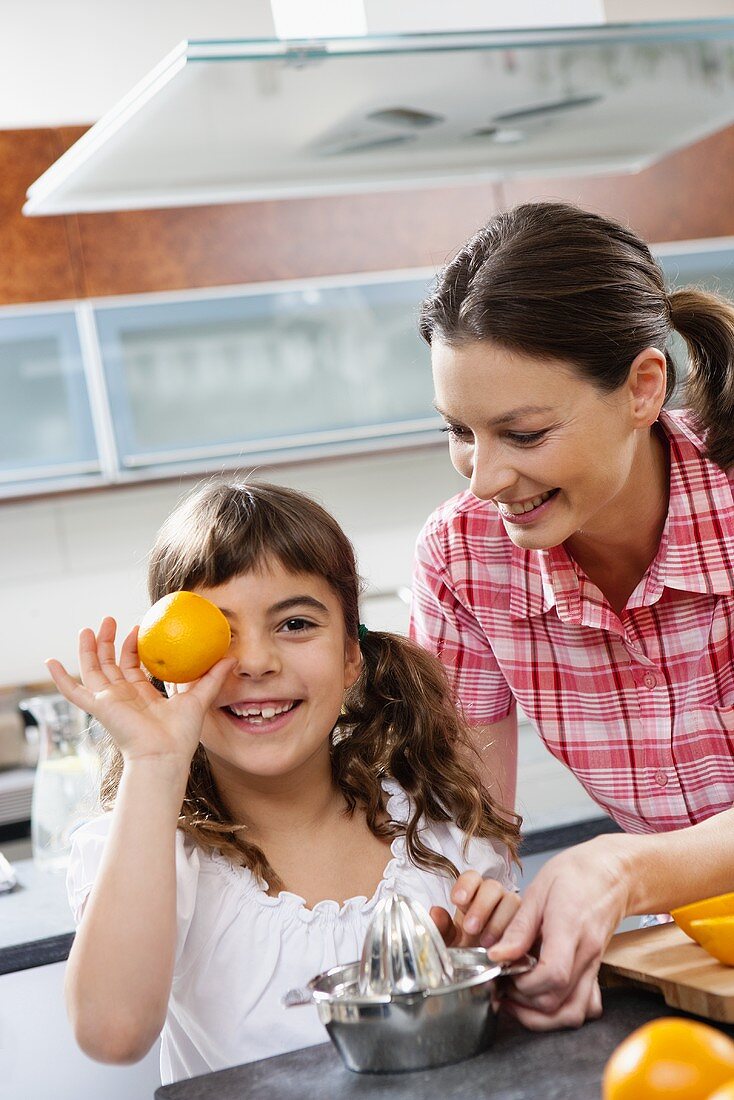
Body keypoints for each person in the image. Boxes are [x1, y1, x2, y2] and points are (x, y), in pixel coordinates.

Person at [46, 480, 522, 1084]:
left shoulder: (443, 831)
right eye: (218, 633)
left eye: (295, 623)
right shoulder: (153, 854)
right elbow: (113, 1034)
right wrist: (155, 763)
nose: (255, 662)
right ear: (168, 662)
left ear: (352, 655)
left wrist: (494, 970)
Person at [410, 200, 734, 1032]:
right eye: (459, 431)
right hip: (691, 967)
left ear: (642, 387)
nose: (483, 478)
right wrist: (492, 925)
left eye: (523, 432)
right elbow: (465, 823)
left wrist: (624, 869)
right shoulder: (463, 559)